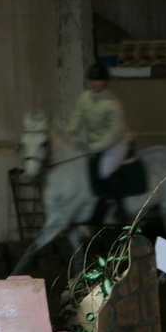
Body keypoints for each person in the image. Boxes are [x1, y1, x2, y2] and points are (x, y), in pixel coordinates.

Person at [66, 61, 133, 216]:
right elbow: (78, 118)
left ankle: (118, 207)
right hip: (96, 143)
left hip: (118, 144)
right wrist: (68, 135)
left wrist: (95, 147)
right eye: (92, 80)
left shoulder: (112, 103)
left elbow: (115, 132)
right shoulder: (84, 97)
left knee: (105, 170)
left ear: (105, 82)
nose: (94, 83)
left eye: (98, 80)